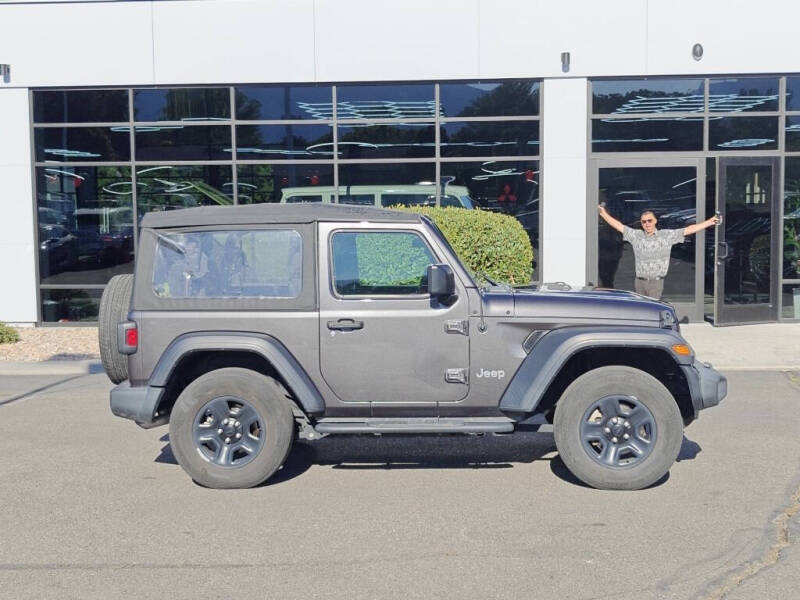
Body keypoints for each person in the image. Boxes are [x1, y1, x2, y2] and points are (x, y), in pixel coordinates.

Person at [598, 205, 720, 299]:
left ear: (655, 221)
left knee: (652, 311)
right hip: (639, 282)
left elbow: (689, 229)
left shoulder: (665, 235)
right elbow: (619, 226)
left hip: (655, 283)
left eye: (649, 221)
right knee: (641, 312)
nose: (647, 224)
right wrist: (603, 214)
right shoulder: (636, 235)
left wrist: (710, 222)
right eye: (644, 222)